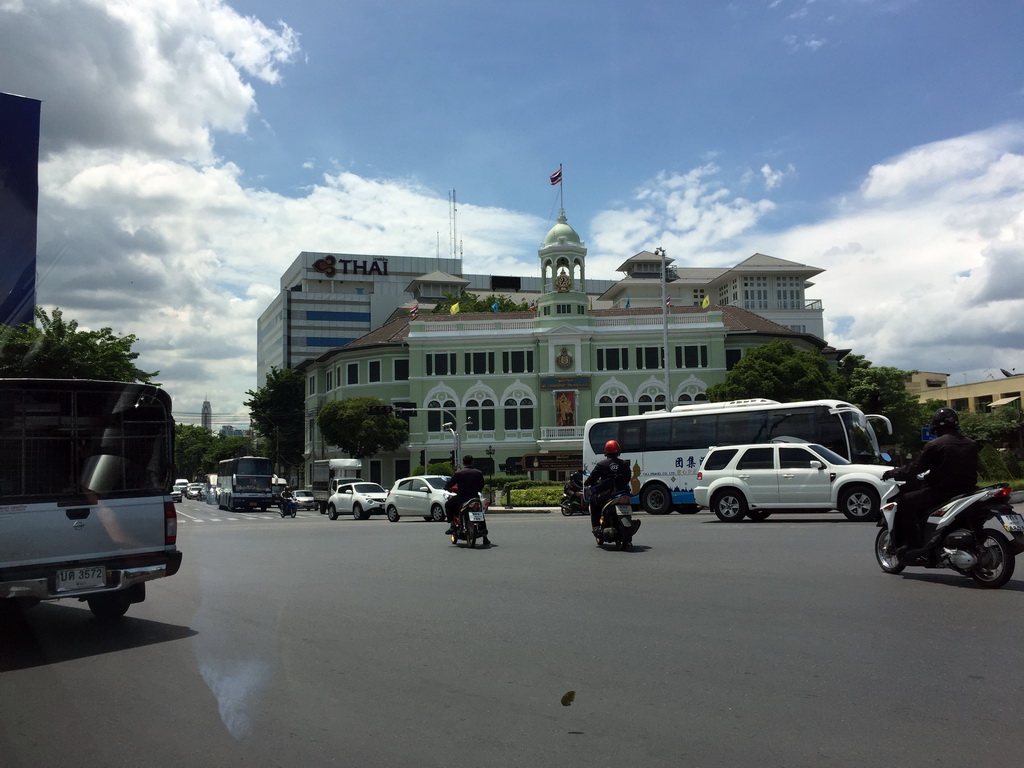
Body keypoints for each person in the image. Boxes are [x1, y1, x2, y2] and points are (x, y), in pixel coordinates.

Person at [882, 407, 980, 562]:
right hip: (969, 491)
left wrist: (893, 472)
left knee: (905, 502)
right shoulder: (971, 443)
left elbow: (914, 468)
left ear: (935, 426)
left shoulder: (934, 445)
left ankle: (913, 545)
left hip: (941, 492)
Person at [585, 440, 633, 538]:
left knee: (594, 502)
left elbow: (592, 478)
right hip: (622, 492)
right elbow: (628, 477)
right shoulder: (624, 464)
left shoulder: (601, 464)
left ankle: (596, 527)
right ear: (618, 451)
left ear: (606, 452)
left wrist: (587, 483)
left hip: (607, 494)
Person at [444, 455, 485, 535]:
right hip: (474, 497)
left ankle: (452, 525)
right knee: (479, 512)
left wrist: (446, 487)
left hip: (462, 498)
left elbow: (451, 483)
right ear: (472, 462)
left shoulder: (459, 473)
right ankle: (483, 529)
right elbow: (481, 485)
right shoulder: (478, 473)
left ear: (463, 463)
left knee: (448, 505)